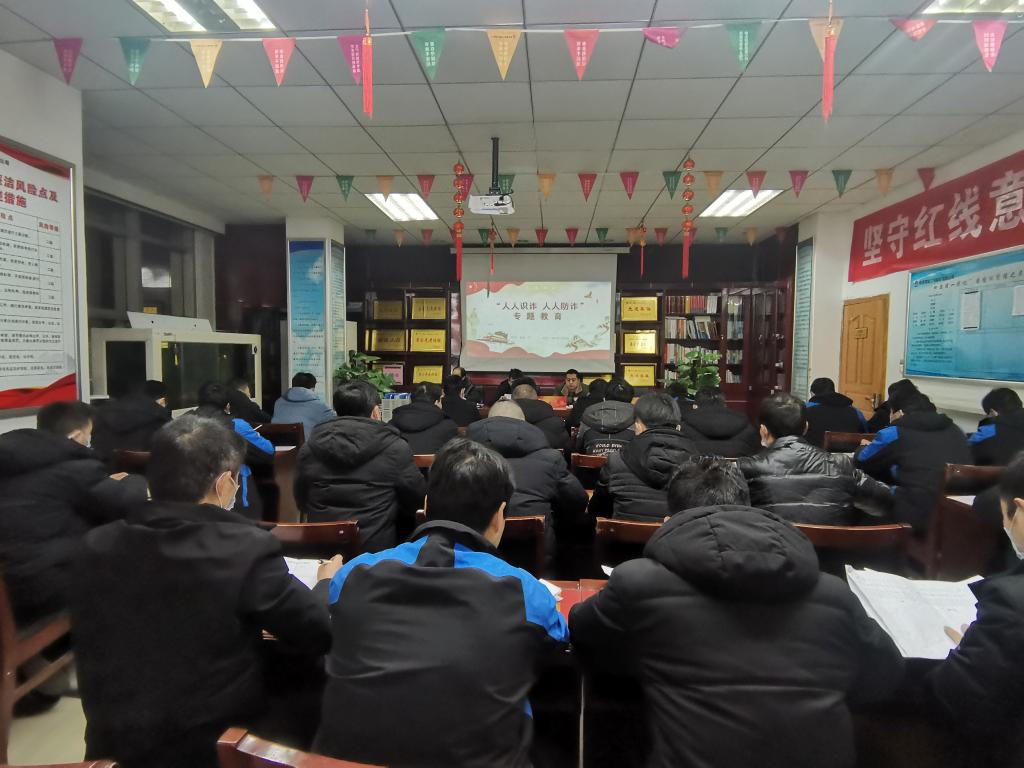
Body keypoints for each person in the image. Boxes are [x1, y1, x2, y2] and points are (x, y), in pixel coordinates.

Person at [569, 466, 904, 768]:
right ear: (749, 508)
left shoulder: (638, 582)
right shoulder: (835, 595)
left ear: (668, 520)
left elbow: (585, 635)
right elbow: (885, 674)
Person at [69, 416, 336, 768]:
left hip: (112, 742)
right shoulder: (244, 547)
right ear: (224, 483)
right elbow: (317, 632)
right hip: (209, 746)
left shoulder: (94, 545)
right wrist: (325, 583)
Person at [314, 439, 568, 768]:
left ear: (425, 506)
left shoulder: (353, 574)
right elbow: (557, 643)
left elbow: (318, 617)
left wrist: (324, 582)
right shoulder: (526, 592)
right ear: (499, 516)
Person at [0, 401, 148, 624]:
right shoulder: (72, 467)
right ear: (78, 436)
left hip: (14, 583)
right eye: (90, 434)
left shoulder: (16, 459)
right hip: (45, 587)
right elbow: (126, 500)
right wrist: (132, 479)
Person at [928, 452, 1024, 767]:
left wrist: (969, 649)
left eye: (1005, 515)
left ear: (1020, 511)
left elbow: (957, 695)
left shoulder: (1011, 603)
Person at [295, 380, 425, 552]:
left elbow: (302, 501)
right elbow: (416, 498)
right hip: (377, 551)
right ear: (376, 412)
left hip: (322, 549)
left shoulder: (309, 448)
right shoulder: (395, 448)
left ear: (337, 411)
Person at [737, 393, 892, 525]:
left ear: (763, 431)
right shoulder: (841, 465)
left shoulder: (746, 468)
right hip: (832, 550)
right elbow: (885, 502)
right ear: (806, 427)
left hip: (774, 550)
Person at [467, 401, 587, 550]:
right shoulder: (550, 459)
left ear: (486, 423)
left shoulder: (462, 460)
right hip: (535, 556)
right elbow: (578, 501)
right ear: (524, 424)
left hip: (475, 557)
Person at [856, 390, 971, 530]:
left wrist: (862, 447)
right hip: (957, 514)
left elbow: (862, 460)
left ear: (899, 413)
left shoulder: (895, 432)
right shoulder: (957, 430)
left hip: (914, 517)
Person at [588, 393, 696, 521]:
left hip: (623, 533)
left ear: (638, 426)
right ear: (678, 427)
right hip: (675, 533)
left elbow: (597, 510)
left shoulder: (617, 460)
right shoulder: (697, 464)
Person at [192, 381, 273, 521]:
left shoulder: (181, 425)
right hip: (235, 501)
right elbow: (268, 451)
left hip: (191, 498)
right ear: (228, 406)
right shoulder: (237, 425)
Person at [91, 379, 171, 461]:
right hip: (146, 467)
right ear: (162, 400)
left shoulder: (103, 412)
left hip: (105, 466)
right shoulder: (161, 418)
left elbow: (95, 444)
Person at [679, 386, 760, 457]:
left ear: (695, 406)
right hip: (737, 469)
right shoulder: (747, 428)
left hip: (694, 469)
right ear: (724, 405)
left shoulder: (683, 429)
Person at [389, 381, 458, 454]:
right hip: (435, 461)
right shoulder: (449, 425)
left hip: (399, 461)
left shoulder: (392, 423)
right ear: (436, 402)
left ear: (411, 399)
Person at [576, 378, 635, 456]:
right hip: (624, 462)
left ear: (604, 398)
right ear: (630, 400)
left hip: (591, 462)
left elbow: (579, 448)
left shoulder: (589, 413)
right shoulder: (638, 417)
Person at [805, 377, 868, 448]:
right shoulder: (856, 411)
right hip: (850, 453)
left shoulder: (805, 409)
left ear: (812, 393)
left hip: (814, 452)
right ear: (833, 391)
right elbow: (865, 433)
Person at [970, 387, 1024, 466]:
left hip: (1003, 471)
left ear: (992, 411)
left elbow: (967, 448)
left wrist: (985, 423)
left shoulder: (990, 428)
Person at [272, 372, 335, 440]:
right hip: (306, 445)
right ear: (312, 389)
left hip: (278, 443)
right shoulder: (320, 406)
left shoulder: (279, 402)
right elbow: (336, 422)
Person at [513, 380, 569, 451]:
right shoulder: (557, 424)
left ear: (512, 400)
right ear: (536, 398)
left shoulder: (502, 422)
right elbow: (567, 452)